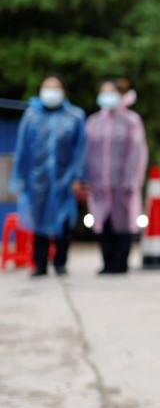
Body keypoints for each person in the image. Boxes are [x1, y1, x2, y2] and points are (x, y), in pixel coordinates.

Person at [10, 74, 87, 277]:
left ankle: (60, 262)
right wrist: (20, 177)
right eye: (46, 87)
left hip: (65, 180)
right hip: (37, 180)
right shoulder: (31, 116)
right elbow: (22, 148)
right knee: (38, 221)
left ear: (64, 91)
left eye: (55, 87)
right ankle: (40, 263)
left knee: (64, 222)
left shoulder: (75, 116)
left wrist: (79, 177)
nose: (50, 92)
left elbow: (81, 150)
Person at [85, 78, 148, 274]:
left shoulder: (131, 120)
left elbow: (137, 152)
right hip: (99, 184)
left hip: (123, 183)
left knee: (123, 223)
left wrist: (131, 180)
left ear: (121, 96)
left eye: (111, 92)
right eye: (103, 91)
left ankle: (121, 262)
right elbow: (86, 152)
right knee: (102, 222)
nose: (107, 96)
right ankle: (106, 262)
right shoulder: (94, 121)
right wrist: (86, 179)